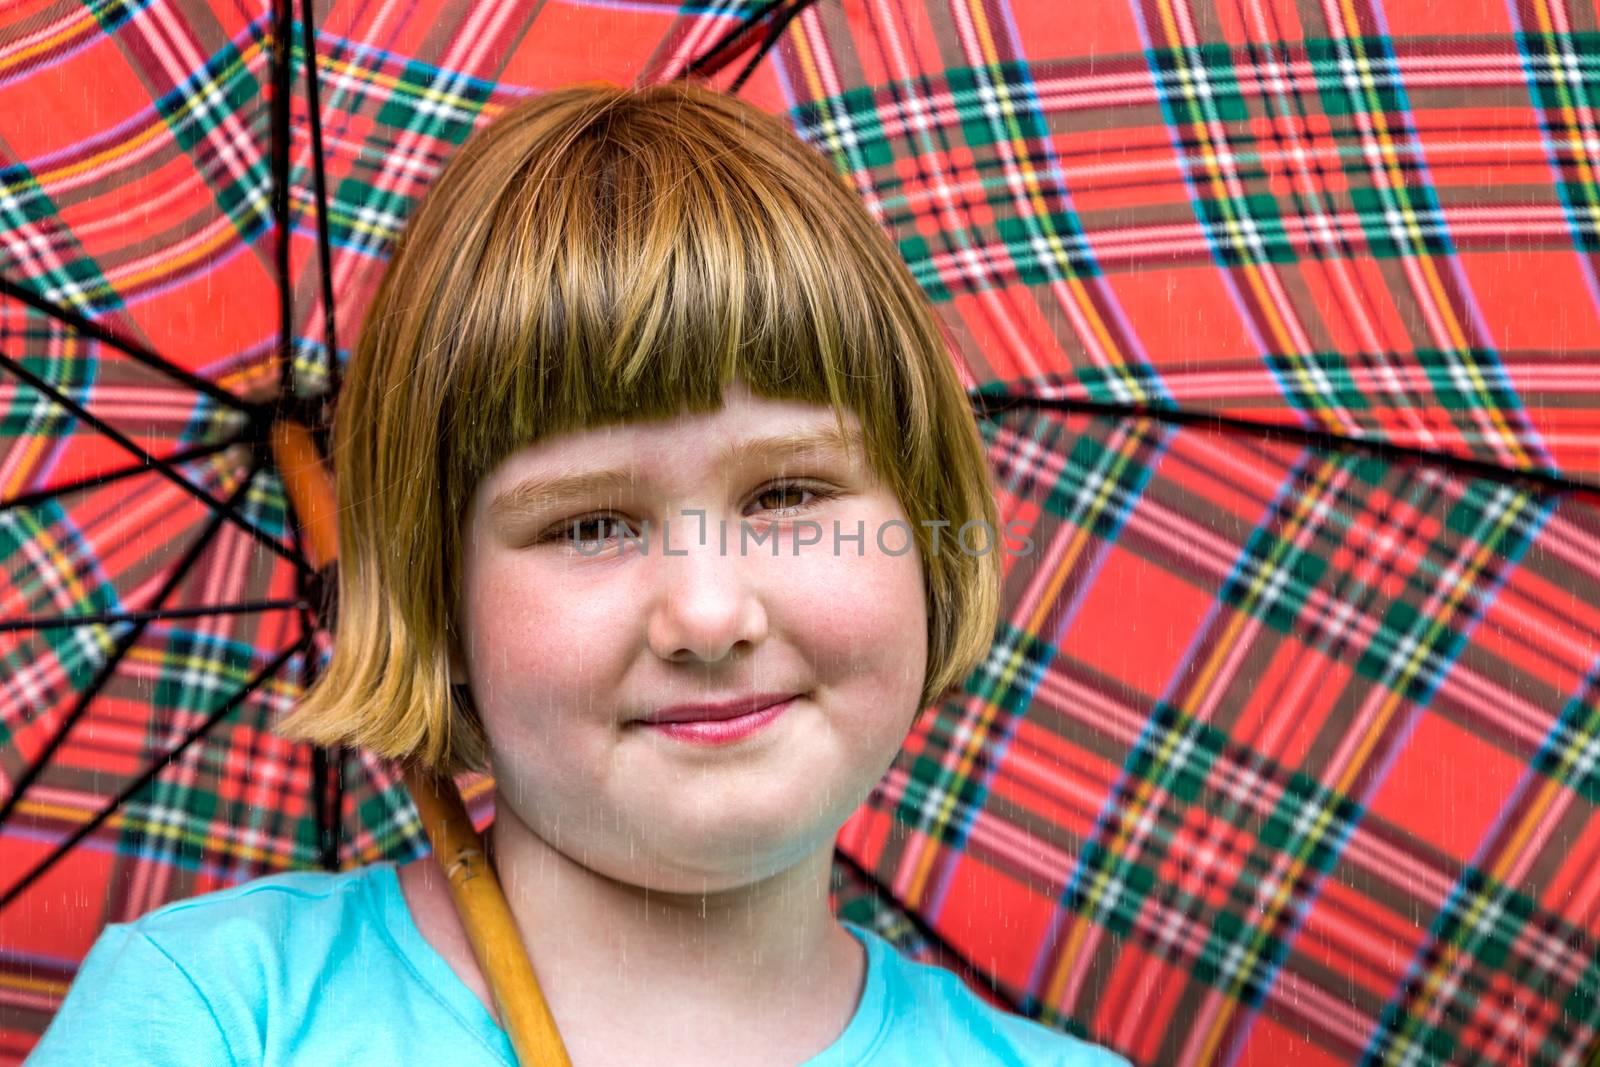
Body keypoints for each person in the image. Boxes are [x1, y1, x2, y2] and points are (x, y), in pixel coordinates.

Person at [28, 80, 1131, 1067]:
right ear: (437, 601)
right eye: (590, 523)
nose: (707, 612)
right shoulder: (219, 1019)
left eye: (789, 496)